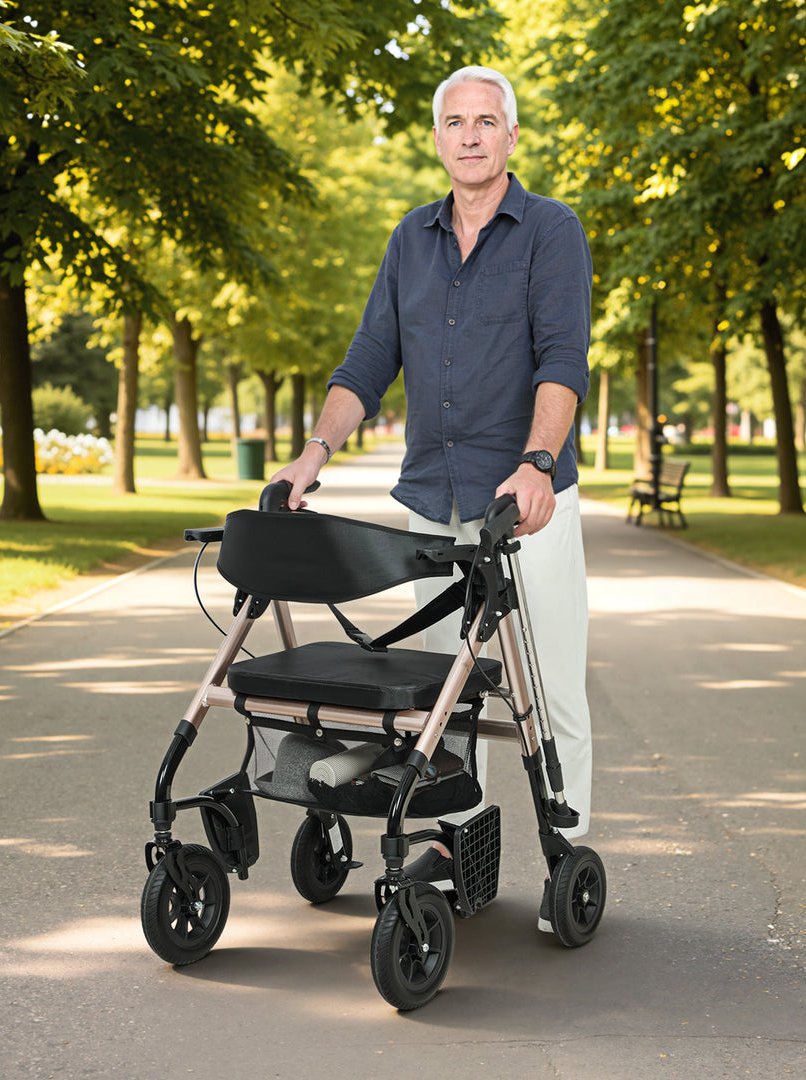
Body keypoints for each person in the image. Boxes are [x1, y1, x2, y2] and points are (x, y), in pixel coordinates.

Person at [272, 66, 592, 932]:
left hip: (524, 504)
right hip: (436, 505)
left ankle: (567, 850)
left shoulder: (551, 230)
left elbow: (563, 357)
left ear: (511, 136)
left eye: (487, 121)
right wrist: (312, 453)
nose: (471, 135)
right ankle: (457, 848)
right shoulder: (410, 239)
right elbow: (368, 358)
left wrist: (537, 462)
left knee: (548, 687)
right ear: (439, 138)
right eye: (456, 122)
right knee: (445, 694)